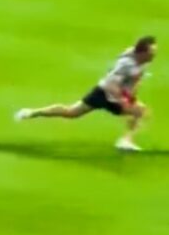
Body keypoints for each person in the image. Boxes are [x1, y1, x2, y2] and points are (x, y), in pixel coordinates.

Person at [14, 36, 158, 151]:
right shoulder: (126, 63)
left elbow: (136, 78)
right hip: (104, 93)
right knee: (71, 112)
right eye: (151, 52)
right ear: (142, 52)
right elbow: (110, 84)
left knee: (140, 111)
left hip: (119, 95)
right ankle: (31, 113)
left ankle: (126, 141)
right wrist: (123, 99)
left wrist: (132, 92)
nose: (154, 55)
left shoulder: (143, 60)